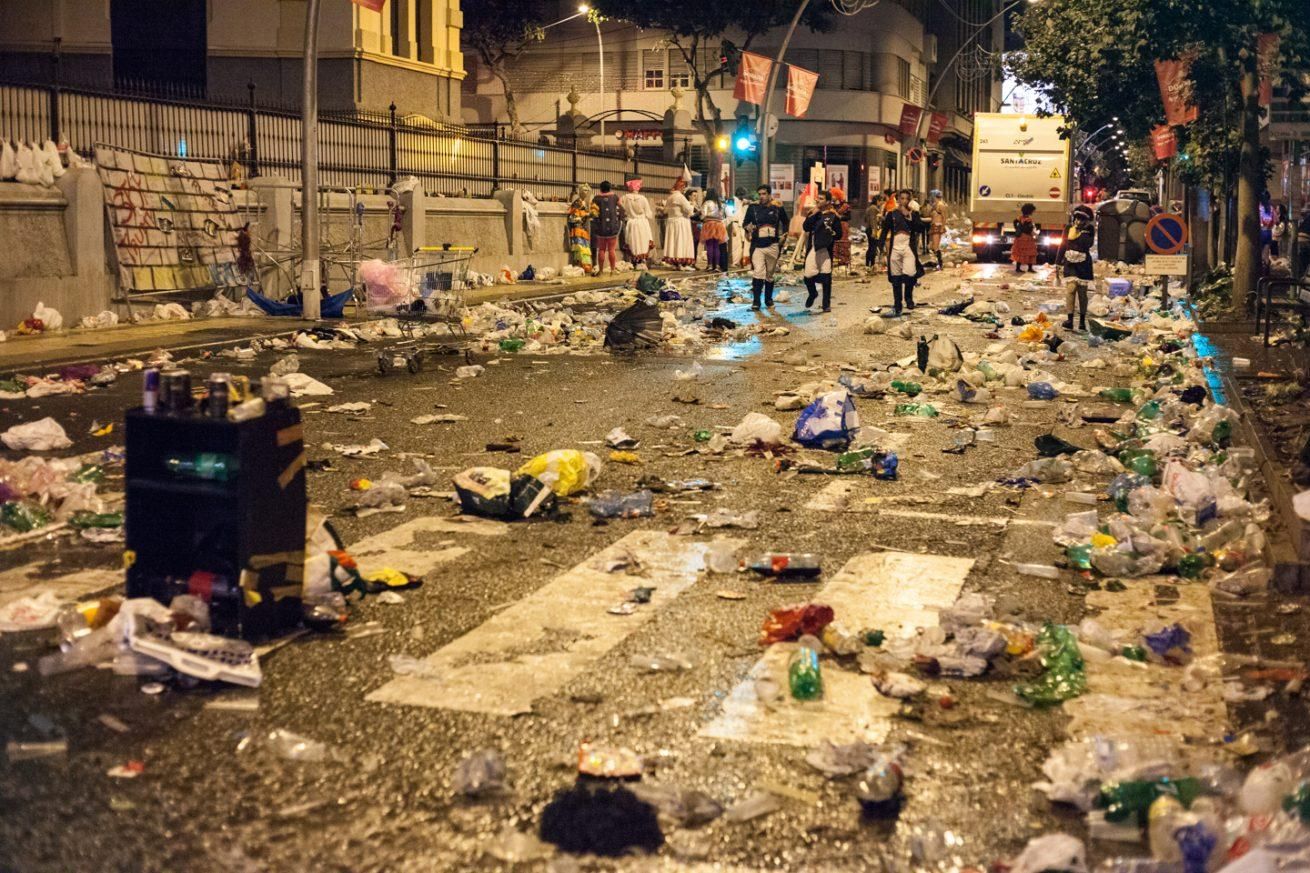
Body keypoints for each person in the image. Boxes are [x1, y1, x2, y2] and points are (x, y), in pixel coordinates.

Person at [878, 189, 926, 316]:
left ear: (909, 200)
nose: (904, 201)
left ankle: (908, 298)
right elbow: (884, 230)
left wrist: (909, 216)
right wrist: (881, 245)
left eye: (906, 199)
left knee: (910, 273)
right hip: (895, 248)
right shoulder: (891, 214)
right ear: (898, 200)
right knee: (896, 277)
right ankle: (897, 303)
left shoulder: (913, 214)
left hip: (908, 247)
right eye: (902, 198)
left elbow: (920, 228)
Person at [743, 183, 788, 310]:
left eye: (764, 194)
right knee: (758, 272)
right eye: (760, 194)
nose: (761, 196)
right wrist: (748, 228)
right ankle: (756, 301)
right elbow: (745, 223)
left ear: (769, 194)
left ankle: (768, 299)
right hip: (757, 245)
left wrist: (784, 235)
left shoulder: (777, 207)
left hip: (773, 245)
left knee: (769, 274)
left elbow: (785, 221)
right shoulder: (753, 207)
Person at [801, 189, 844, 312]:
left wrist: (831, 234)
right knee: (808, 276)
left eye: (822, 199)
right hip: (813, 248)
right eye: (818, 198)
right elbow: (806, 227)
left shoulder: (833, 215)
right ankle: (813, 293)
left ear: (828, 201)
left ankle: (826, 305)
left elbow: (839, 234)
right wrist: (814, 213)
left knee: (826, 278)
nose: (818, 201)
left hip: (825, 249)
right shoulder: (813, 213)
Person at [1056, 204, 1095, 331]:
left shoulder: (1089, 230)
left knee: (1082, 293)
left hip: (1083, 264)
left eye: (1082, 219)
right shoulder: (1068, 228)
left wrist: (1081, 231)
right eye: (1077, 218)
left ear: (1086, 220)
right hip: (1069, 262)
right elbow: (1062, 244)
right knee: (1071, 289)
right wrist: (1058, 262)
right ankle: (1070, 320)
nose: (1078, 221)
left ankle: (1082, 321)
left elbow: (1087, 244)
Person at [619, 179, 654, 266]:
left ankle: (634, 261)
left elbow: (621, 208)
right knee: (643, 241)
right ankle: (642, 261)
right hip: (642, 222)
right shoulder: (643, 198)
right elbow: (649, 213)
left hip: (631, 222)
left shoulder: (624, 198)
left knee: (633, 242)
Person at [662, 179, 696, 269]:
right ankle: (681, 262)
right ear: (682, 187)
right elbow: (688, 210)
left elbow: (665, 210)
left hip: (671, 222)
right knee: (681, 241)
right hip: (681, 222)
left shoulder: (670, 197)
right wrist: (692, 205)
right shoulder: (681, 197)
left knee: (674, 242)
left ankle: (675, 263)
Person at [591, 180, 622, 276]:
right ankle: (612, 270)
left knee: (601, 249)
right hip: (612, 227)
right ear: (610, 188)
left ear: (601, 188)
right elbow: (621, 207)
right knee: (612, 249)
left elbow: (593, 212)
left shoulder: (596, 198)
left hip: (600, 228)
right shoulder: (615, 197)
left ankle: (600, 271)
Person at [566, 185, 596, 271]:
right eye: (584, 190)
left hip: (584, 227)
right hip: (578, 228)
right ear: (580, 191)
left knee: (585, 246)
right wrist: (586, 215)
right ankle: (579, 265)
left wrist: (589, 214)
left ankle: (584, 266)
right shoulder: (577, 202)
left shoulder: (584, 202)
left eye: (587, 190)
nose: (585, 192)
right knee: (579, 247)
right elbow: (573, 216)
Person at [700, 189, 728, 272]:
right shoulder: (720, 204)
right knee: (716, 246)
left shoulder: (707, 203)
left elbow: (703, 215)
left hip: (709, 224)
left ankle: (709, 265)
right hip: (719, 225)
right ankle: (717, 266)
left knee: (709, 246)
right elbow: (723, 216)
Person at [829, 186, 853, 269]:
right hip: (834, 226)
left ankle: (844, 260)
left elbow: (849, 217)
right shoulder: (831, 205)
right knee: (835, 243)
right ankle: (835, 259)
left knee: (843, 242)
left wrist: (838, 216)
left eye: (833, 195)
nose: (832, 197)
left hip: (843, 225)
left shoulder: (845, 206)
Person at [1011, 203, 1038, 273]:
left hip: (1019, 237)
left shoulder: (1020, 217)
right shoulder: (1028, 219)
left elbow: (1014, 221)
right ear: (1029, 211)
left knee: (1020, 252)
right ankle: (1030, 268)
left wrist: (1016, 228)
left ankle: (1018, 268)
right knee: (1030, 252)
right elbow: (1028, 230)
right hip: (1027, 238)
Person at [924, 189, 947, 270]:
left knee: (935, 246)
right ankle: (937, 262)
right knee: (930, 246)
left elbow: (944, 217)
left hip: (937, 227)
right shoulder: (934, 205)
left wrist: (942, 227)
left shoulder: (941, 205)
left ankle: (940, 264)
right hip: (933, 226)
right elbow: (930, 216)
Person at [864, 193, 887, 270]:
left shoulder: (870, 208)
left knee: (871, 247)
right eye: (881, 201)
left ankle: (869, 264)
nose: (882, 203)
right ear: (877, 201)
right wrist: (874, 231)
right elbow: (873, 220)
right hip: (872, 229)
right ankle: (870, 264)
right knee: (872, 247)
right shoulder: (873, 208)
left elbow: (865, 219)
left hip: (869, 229)